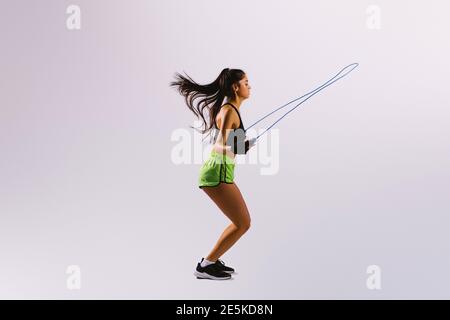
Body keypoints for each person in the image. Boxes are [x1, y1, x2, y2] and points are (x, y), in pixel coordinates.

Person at [170, 68, 256, 280]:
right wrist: (238, 147)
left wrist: (243, 146)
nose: (249, 85)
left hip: (222, 173)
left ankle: (211, 263)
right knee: (243, 223)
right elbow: (219, 148)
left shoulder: (232, 110)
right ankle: (205, 266)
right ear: (236, 87)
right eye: (246, 82)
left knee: (242, 223)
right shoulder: (228, 111)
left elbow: (231, 145)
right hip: (216, 174)